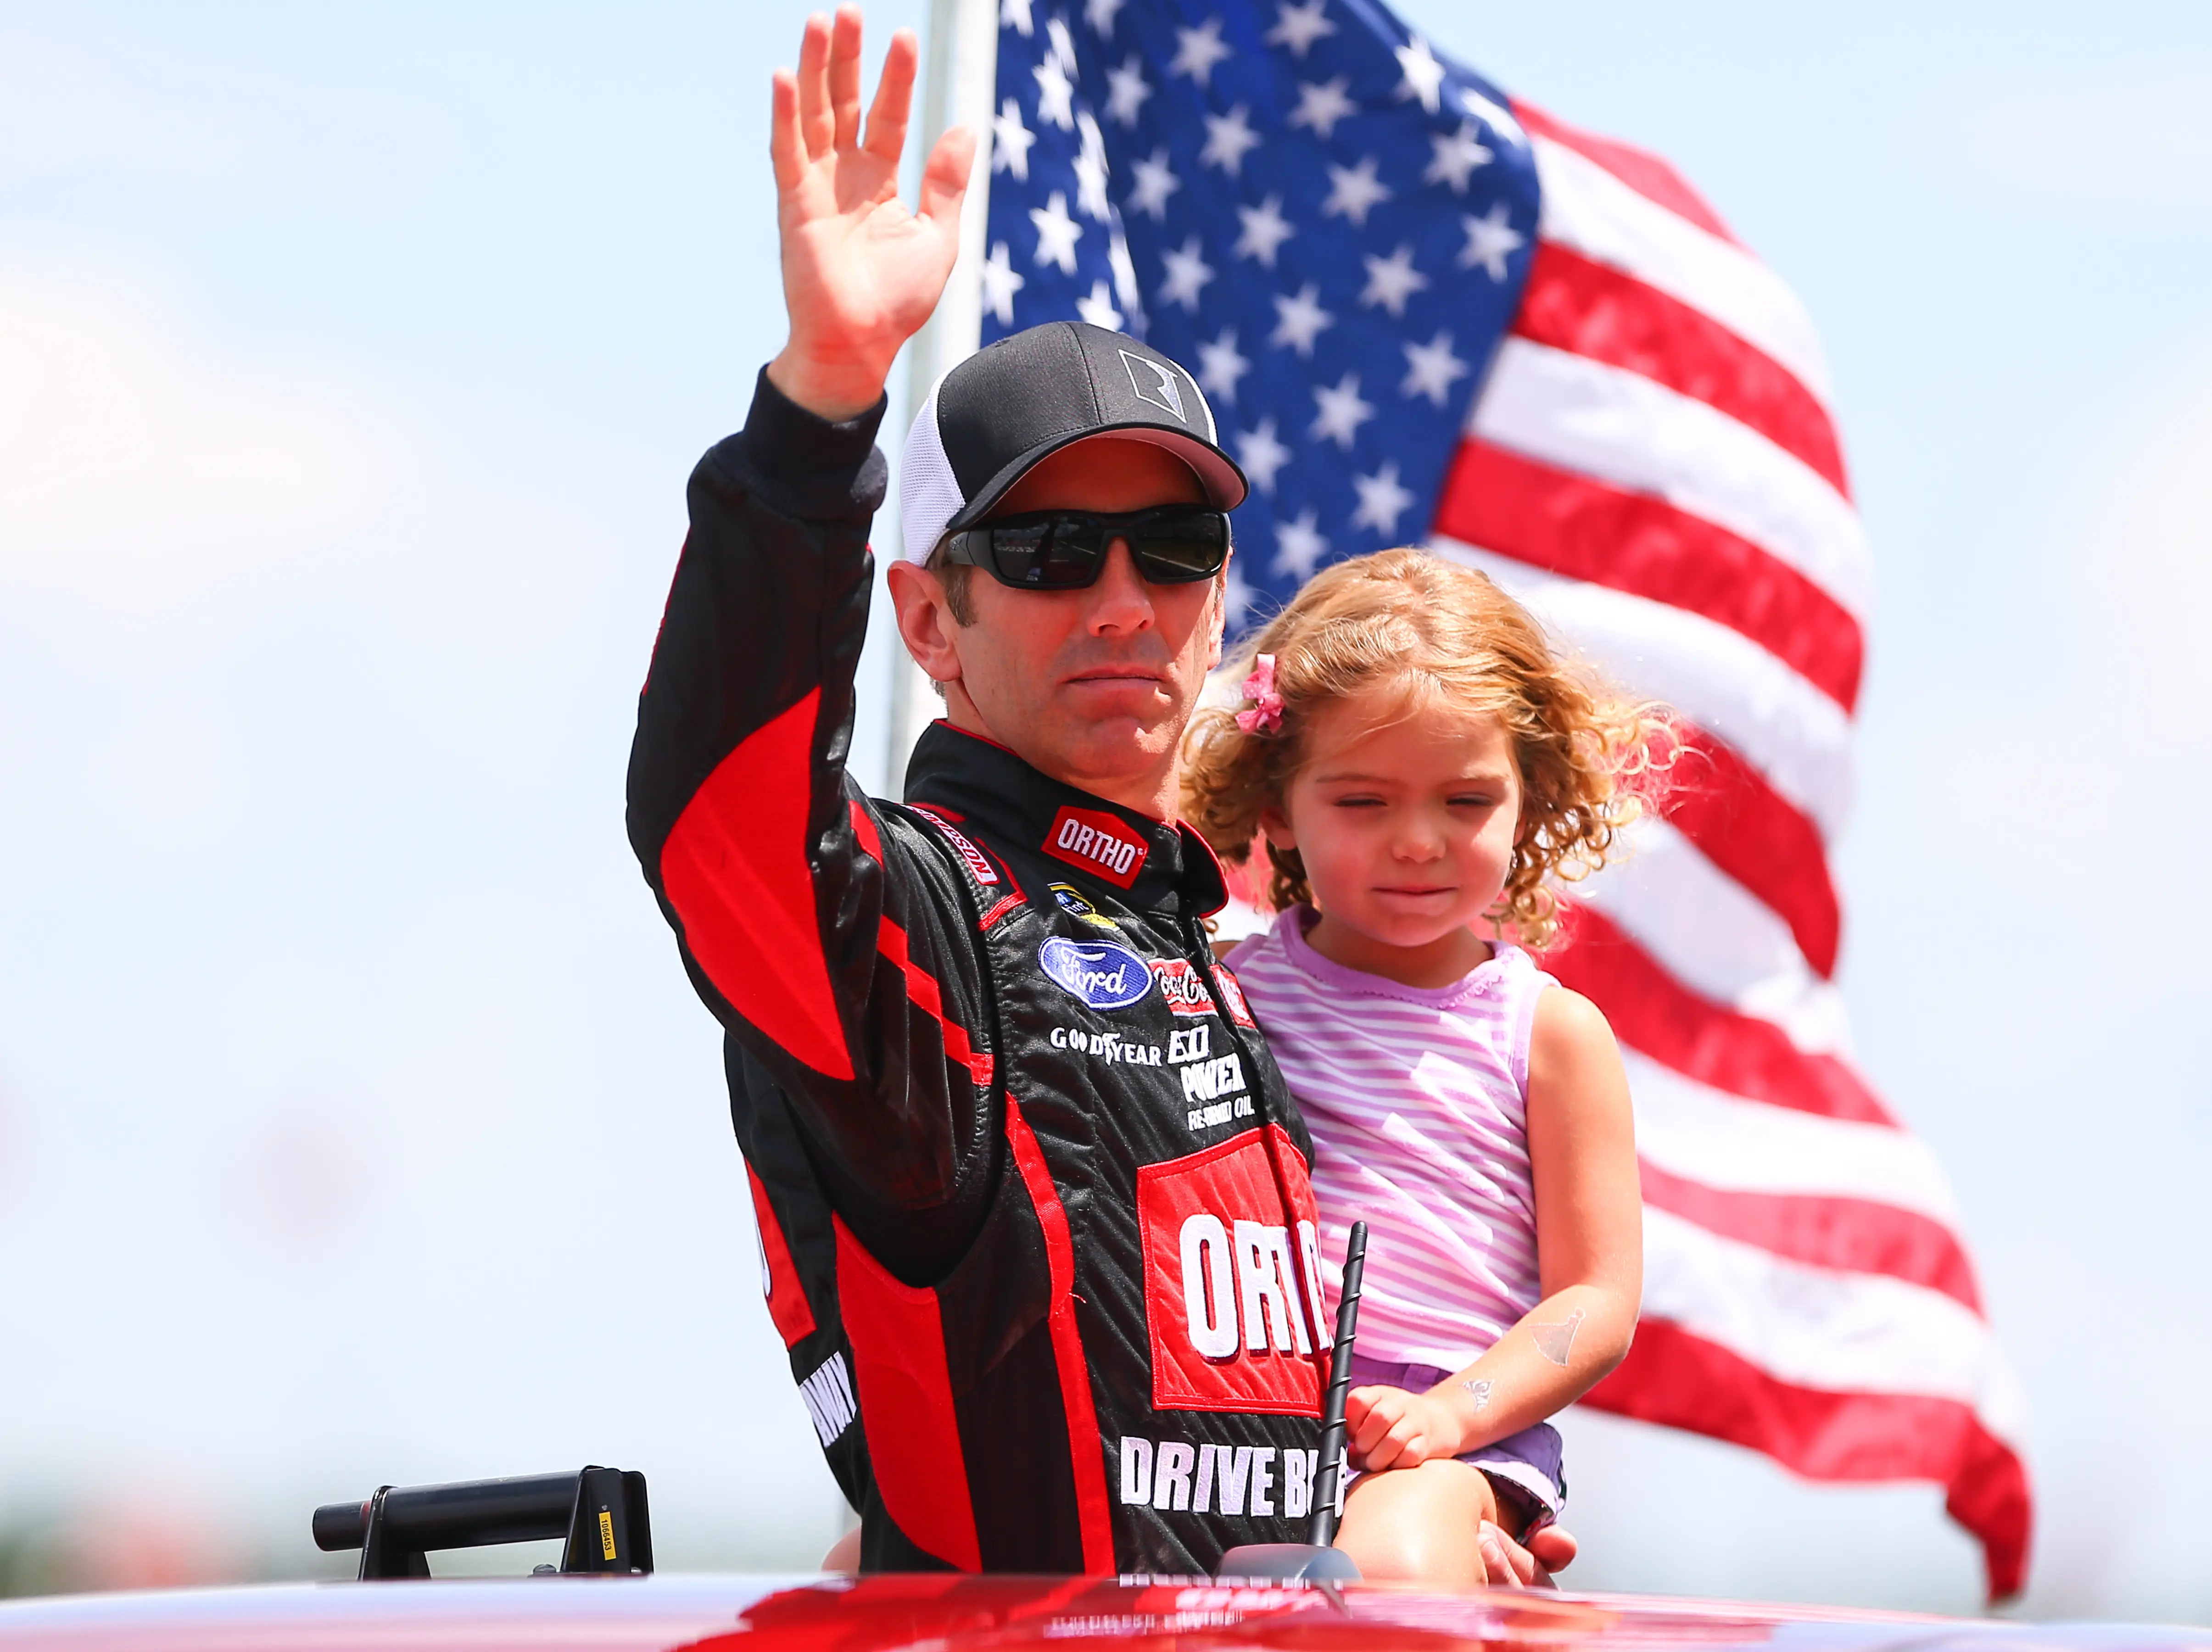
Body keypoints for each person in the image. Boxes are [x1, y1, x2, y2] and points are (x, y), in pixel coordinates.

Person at [624, 8, 1568, 1580]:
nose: (1124, 600)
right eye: (1056, 555)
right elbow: (721, 827)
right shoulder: (918, 911)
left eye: (1174, 552)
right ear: (929, 620)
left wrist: (1458, 1524)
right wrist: (822, 405)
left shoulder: (1247, 941)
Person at [1183, 550, 1660, 1584]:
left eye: (1465, 801)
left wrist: (1451, 1415)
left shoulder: (1551, 1034)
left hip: (1455, 1445)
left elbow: (1598, 1297)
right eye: (1362, 802)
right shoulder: (1220, 993)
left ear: (1529, 802)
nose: (1416, 841)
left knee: (1390, 1568)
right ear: (1276, 806)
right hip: (1224, 1428)